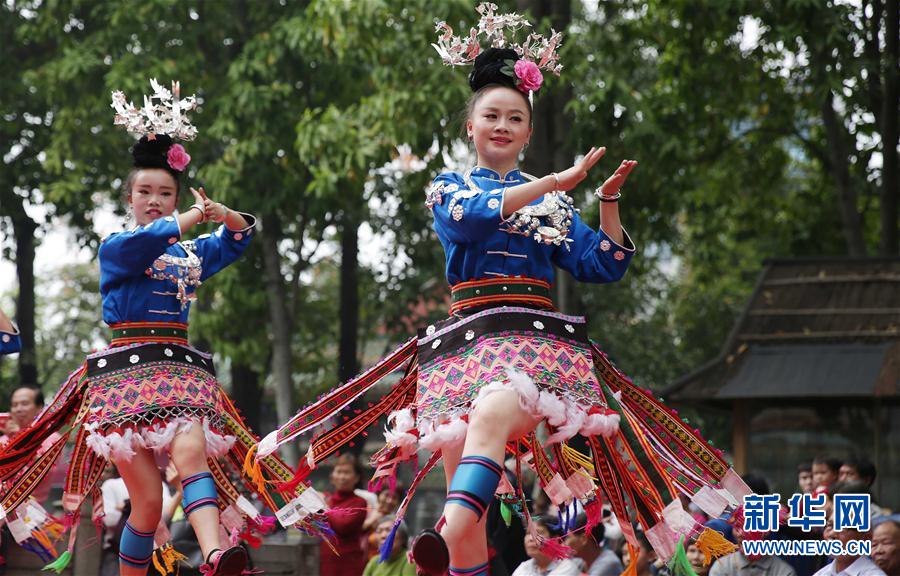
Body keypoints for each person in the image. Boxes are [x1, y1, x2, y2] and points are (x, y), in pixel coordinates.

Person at [254, 5, 744, 576]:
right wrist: (554, 181)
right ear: (470, 126)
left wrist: (607, 203)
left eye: (516, 118)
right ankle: (454, 545)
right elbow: (474, 218)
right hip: (460, 350)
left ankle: (439, 536)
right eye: (492, 115)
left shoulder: (553, 202)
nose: (503, 126)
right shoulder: (450, 187)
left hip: (532, 348)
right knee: (469, 524)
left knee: (490, 416)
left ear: (528, 132)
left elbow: (603, 264)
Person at [0, 80, 321, 576]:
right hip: (123, 378)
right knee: (148, 505)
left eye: (165, 193)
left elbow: (237, 239)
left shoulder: (190, 253)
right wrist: (193, 215)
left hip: (179, 371)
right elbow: (151, 240)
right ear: (129, 198)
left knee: (192, 453)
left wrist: (222, 214)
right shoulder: (117, 247)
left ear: (174, 198)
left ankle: (215, 554)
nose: (155, 200)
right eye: (145, 192)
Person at [321, 454, 369, 576]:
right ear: (332, 476)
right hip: (325, 562)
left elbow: (343, 526)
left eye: (347, 472)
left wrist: (324, 507)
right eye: (339, 472)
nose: (342, 476)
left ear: (356, 478)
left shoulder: (359, 502)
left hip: (349, 565)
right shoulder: (327, 500)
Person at [512, 517, 580, 576]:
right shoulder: (523, 567)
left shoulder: (567, 567)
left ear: (555, 540)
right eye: (528, 533)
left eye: (538, 533)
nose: (530, 538)